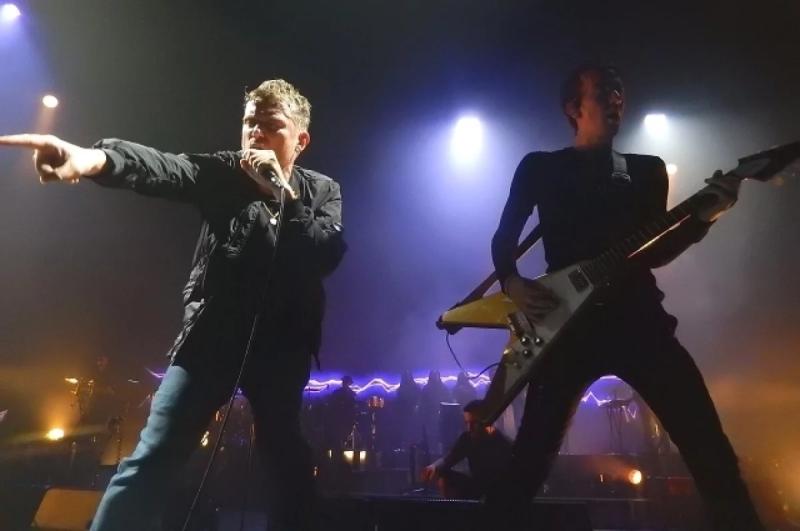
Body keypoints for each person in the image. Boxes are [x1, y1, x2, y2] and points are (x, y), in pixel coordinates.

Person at [0, 79, 346, 531]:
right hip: (210, 339)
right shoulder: (224, 172)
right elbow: (165, 168)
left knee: (286, 460)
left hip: (282, 346)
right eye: (249, 123)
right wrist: (91, 159)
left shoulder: (321, 191)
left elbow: (325, 254)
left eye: (270, 124)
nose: (255, 133)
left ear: (301, 140)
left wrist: (281, 193)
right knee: (155, 455)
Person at [489, 64, 763, 530]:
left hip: (638, 320)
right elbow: (504, 238)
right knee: (529, 461)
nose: (616, 99)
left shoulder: (646, 170)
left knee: (710, 449)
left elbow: (655, 252)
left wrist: (704, 218)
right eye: (603, 92)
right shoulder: (540, 167)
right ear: (574, 108)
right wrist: (512, 283)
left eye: (619, 91)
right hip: (568, 327)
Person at [420, 399, 512, 499]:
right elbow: (450, 457)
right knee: (444, 475)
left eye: (474, 423)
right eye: (467, 423)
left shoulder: (499, 441)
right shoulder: (467, 438)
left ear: (486, 420)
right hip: (476, 486)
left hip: (497, 491)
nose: (469, 428)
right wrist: (433, 467)